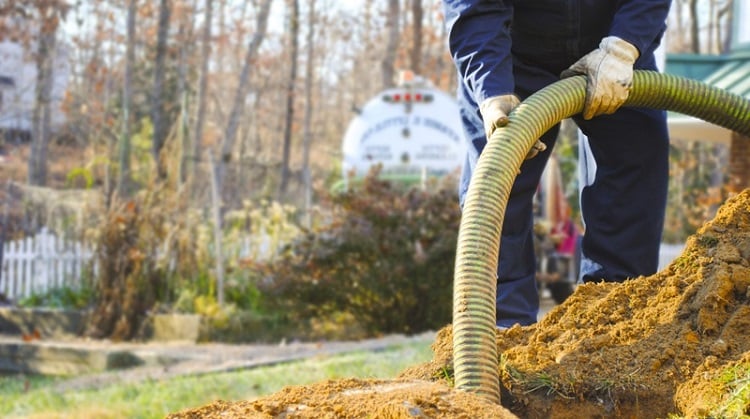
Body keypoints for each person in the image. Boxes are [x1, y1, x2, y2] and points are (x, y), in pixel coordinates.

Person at [442, 0, 672, 328]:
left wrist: (625, 46)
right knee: (497, 186)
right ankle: (499, 338)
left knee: (636, 159)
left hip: (611, 48)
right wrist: (491, 91)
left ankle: (615, 324)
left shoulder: (618, 49)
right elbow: (475, 9)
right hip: (512, 55)